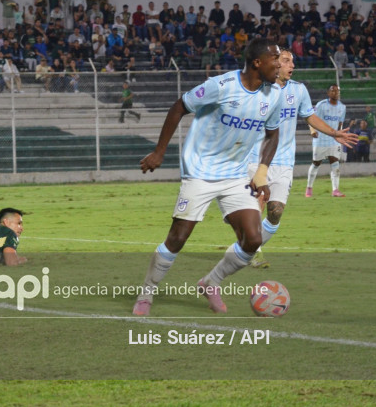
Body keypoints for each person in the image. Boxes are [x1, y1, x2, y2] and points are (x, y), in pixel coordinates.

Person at [132, 37, 283, 316]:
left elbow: (273, 135)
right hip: (200, 172)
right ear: (257, 63)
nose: (280, 65)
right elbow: (179, 107)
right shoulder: (221, 86)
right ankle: (146, 293)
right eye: (275, 60)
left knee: (253, 238)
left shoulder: (274, 95)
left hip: (236, 175)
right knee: (177, 238)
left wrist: (261, 174)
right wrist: (159, 151)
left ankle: (211, 281)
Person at [246, 50, 357, 268]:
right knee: (258, 203)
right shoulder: (258, 88)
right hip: (257, 159)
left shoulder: (298, 90)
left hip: (285, 160)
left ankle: (247, 245)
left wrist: (334, 133)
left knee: (276, 212)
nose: (292, 65)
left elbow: (310, 116)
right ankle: (253, 252)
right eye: (287, 61)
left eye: (293, 61)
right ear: (275, 63)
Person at [305, 84, 347, 198]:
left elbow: (340, 124)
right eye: (333, 91)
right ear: (328, 93)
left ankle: (335, 190)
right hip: (321, 139)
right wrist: (312, 130)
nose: (336, 93)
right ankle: (309, 188)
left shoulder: (342, 107)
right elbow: (311, 118)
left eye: (337, 91)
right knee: (316, 163)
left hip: (333, 140)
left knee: (335, 163)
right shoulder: (321, 105)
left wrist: (340, 135)